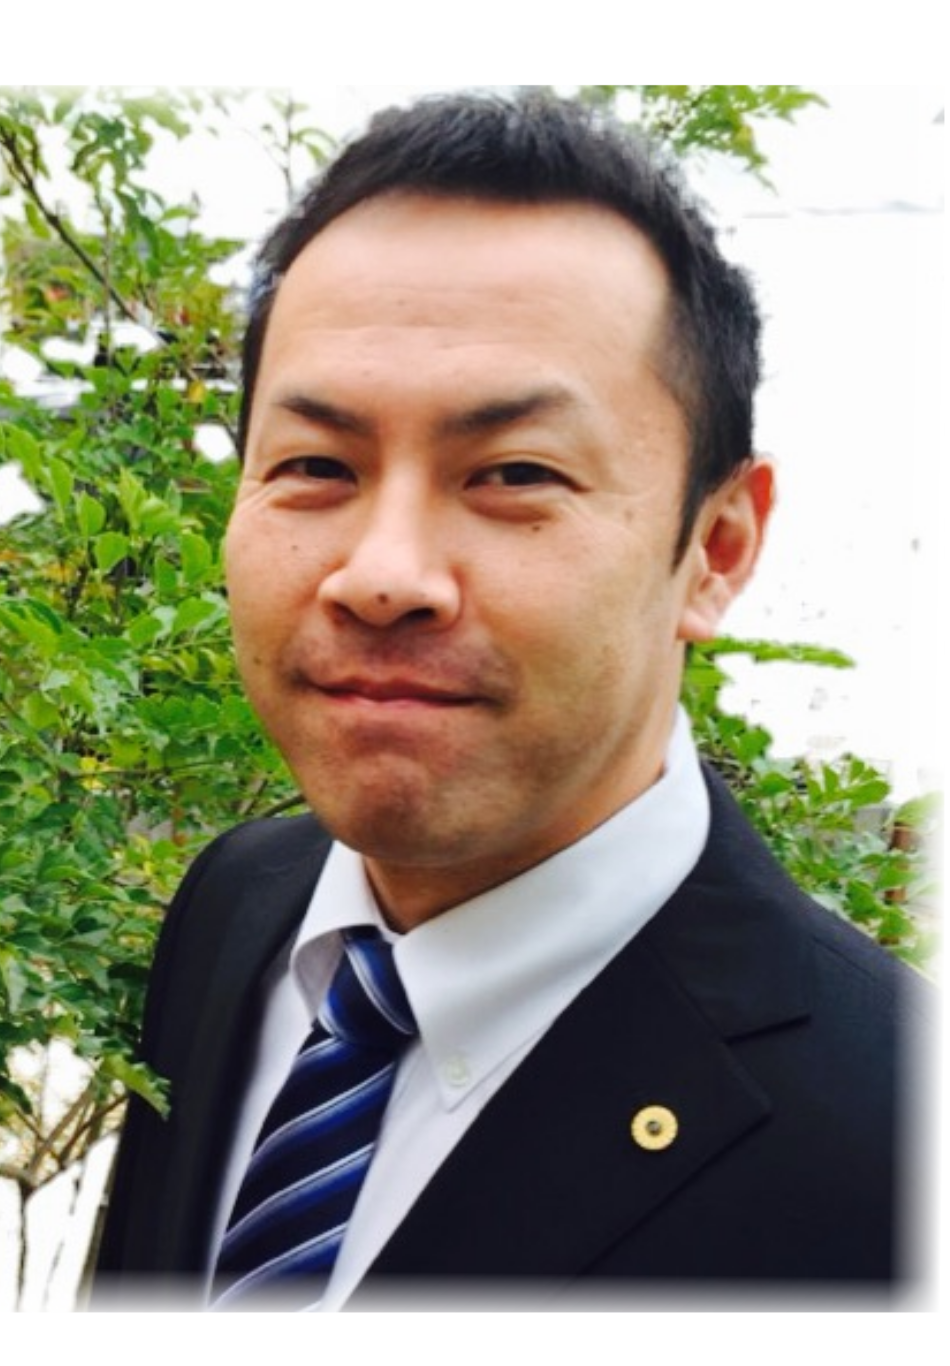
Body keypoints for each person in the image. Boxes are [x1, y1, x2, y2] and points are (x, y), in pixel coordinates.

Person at [90, 93, 928, 1313]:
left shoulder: (893, 1153)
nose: (382, 575)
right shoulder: (237, 906)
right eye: (315, 464)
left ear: (717, 548)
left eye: (515, 473)